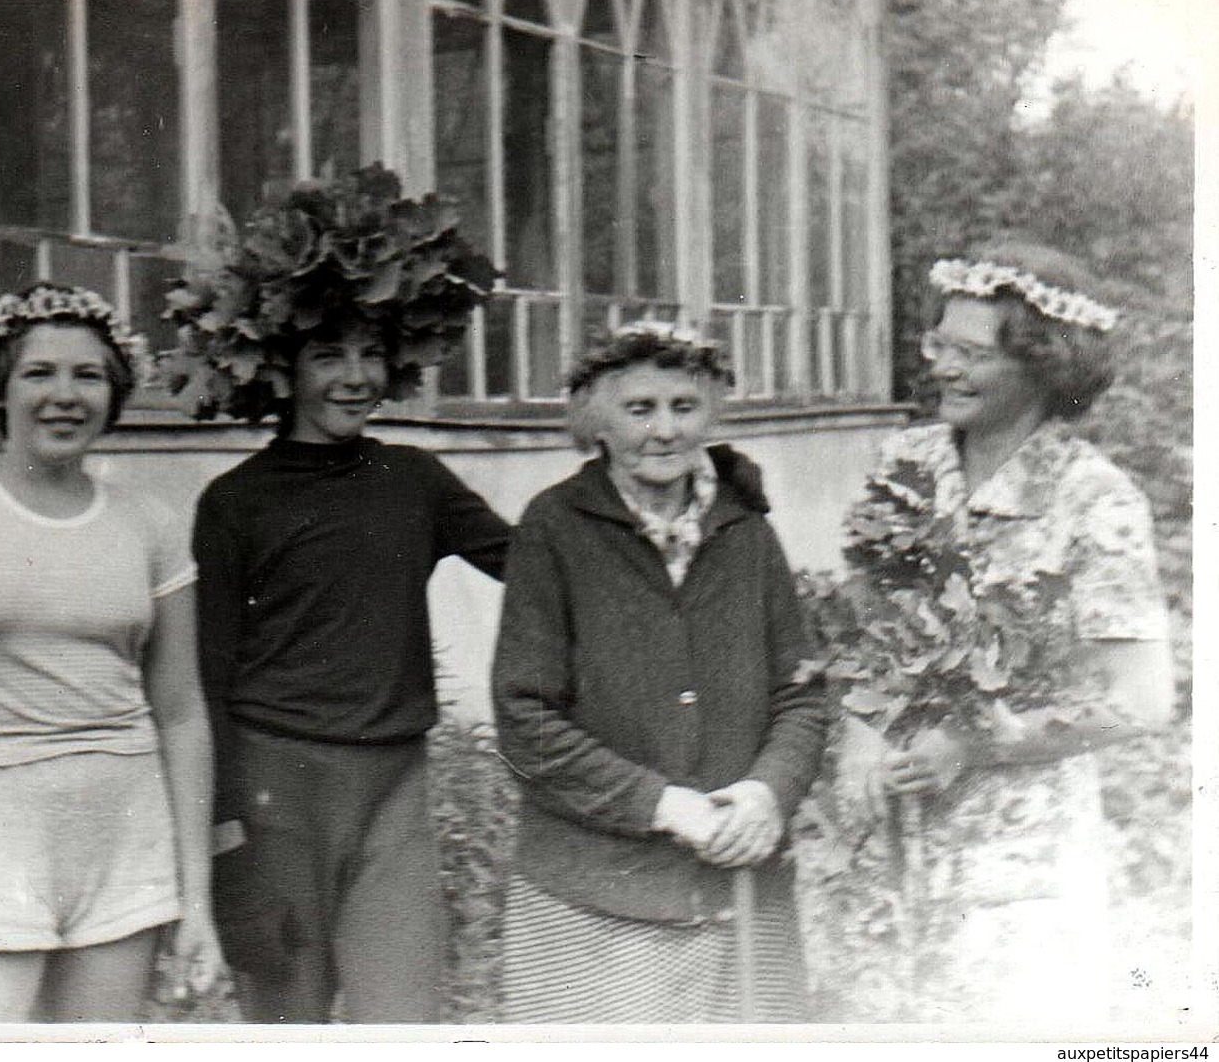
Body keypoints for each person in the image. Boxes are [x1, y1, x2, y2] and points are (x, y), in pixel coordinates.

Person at [0, 283, 224, 1022]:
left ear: (115, 392)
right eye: (39, 373)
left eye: (87, 375)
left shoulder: (149, 523)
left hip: (121, 837)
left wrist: (195, 904)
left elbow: (182, 714)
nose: (65, 395)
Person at [832, 246, 1174, 1023]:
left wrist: (978, 743)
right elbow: (867, 623)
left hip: (1018, 860)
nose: (943, 369)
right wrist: (859, 734)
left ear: (1042, 366)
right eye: (939, 345)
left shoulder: (1093, 499)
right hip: (883, 833)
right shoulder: (906, 461)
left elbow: (1141, 702)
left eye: (972, 354)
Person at [491, 323, 826, 1024]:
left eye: (684, 406)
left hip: (740, 889)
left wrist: (765, 795)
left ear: (711, 413)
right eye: (639, 409)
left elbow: (800, 691)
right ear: (596, 422)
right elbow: (526, 720)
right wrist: (664, 805)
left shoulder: (747, 533)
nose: (665, 430)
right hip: (594, 898)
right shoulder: (554, 529)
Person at [193, 307, 509, 1023]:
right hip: (280, 792)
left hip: (394, 790)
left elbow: (532, 561)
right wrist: (229, 853)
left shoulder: (414, 479)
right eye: (329, 354)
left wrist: (651, 495)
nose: (356, 376)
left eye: (372, 354)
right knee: (286, 1020)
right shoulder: (234, 501)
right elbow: (205, 683)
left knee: (407, 1022)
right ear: (283, 367)